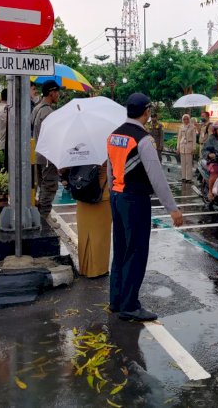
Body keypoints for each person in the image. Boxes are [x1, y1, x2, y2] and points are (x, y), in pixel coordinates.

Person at [107, 93, 184, 321]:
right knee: (136, 252)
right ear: (147, 112)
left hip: (117, 197)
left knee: (120, 250)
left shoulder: (114, 135)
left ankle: (116, 300)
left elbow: (111, 169)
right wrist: (173, 208)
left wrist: (114, 192)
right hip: (135, 200)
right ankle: (130, 305)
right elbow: (157, 177)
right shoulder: (143, 139)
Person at [72, 161, 112, 278]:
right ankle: (98, 270)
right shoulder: (105, 149)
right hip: (101, 195)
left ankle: (84, 268)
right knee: (100, 235)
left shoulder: (79, 153)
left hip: (83, 192)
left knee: (84, 234)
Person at [31, 80, 61, 218]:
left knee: (42, 186)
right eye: (57, 92)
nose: (59, 95)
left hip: (38, 154)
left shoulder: (37, 108)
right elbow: (53, 138)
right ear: (51, 93)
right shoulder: (48, 112)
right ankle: (44, 219)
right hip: (48, 157)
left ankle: (42, 217)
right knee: (49, 188)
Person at [176, 114, 197, 183]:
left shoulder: (192, 127)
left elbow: (194, 138)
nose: (186, 120)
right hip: (182, 146)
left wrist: (194, 148)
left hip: (189, 146)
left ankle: (189, 178)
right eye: (184, 119)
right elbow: (179, 138)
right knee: (183, 163)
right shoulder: (181, 127)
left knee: (189, 163)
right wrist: (178, 147)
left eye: (187, 119)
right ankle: (183, 177)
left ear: (189, 119)